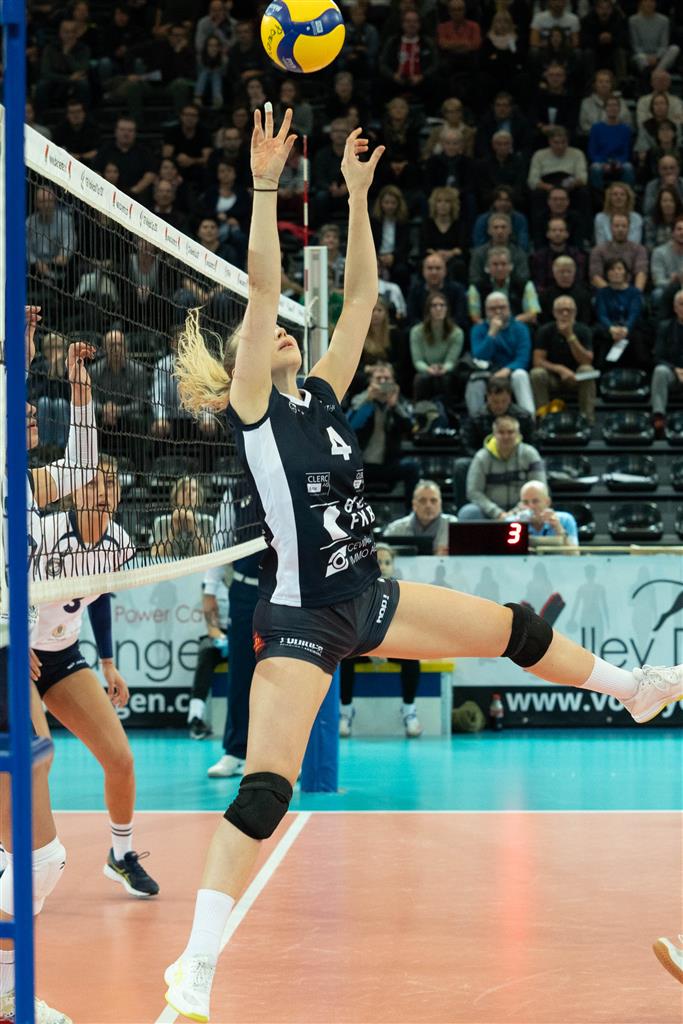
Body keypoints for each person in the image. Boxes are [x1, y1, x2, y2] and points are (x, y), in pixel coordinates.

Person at [164, 106, 683, 1022]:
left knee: (515, 632)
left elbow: (361, 299)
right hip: (298, 620)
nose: (282, 331)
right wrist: (265, 185)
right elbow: (262, 286)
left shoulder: (319, 396)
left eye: (284, 329)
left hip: (368, 595)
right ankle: (195, 968)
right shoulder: (256, 409)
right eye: (269, 330)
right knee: (265, 793)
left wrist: (359, 196)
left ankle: (631, 690)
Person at [0, 309, 97, 1024]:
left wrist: (77, 387)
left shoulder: (29, 491)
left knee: (31, 847)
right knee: (38, 857)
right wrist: (21, 353)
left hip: (11, 651)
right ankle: (9, 991)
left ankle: (8, 989)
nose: (32, 413)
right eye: (23, 407)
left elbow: (84, 469)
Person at [31, 458, 159, 898]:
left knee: (120, 759)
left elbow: (99, 597)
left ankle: (121, 856)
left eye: (109, 484)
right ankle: (13, 854)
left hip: (63, 654)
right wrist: (15, 638)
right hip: (17, 653)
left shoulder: (119, 542)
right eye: (90, 485)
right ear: (72, 492)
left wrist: (107, 661)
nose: (101, 493)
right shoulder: (42, 532)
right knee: (35, 760)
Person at [340, 544, 423, 739]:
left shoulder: (400, 592)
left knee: (412, 659)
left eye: (387, 562)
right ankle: (346, 711)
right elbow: (355, 626)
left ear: (393, 566)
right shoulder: (359, 590)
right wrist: (372, 651)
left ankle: (409, 711)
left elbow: (402, 628)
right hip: (364, 647)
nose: (383, 566)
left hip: (389, 646)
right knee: (344, 658)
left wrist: (385, 649)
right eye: (379, 562)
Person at [458, 414, 546, 521]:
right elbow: (474, 492)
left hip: (524, 509)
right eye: (501, 432)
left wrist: (515, 512)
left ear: (518, 434)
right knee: (468, 513)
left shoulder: (530, 454)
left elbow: (539, 488)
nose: (506, 436)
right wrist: (497, 513)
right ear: (494, 434)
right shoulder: (481, 457)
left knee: (538, 506)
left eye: (510, 432)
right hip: (490, 511)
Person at [467, 291, 535, 416]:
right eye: (493, 309)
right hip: (486, 372)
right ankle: (476, 420)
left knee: (521, 375)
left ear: (509, 309)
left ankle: (529, 418)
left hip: (511, 371)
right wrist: (492, 333)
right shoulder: (478, 329)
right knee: (474, 382)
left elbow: (523, 358)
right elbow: (479, 357)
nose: (498, 311)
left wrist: (507, 370)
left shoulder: (520, 328)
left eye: (502, 307)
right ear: (486, 311)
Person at [531, 296, 596, 422]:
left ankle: (587, 419)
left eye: (569, 310)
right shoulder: (544, 331)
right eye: (560, 310)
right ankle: (544, 419)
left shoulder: (584, 330)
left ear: (575, 313)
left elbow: (587, 361)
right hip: (553, 378)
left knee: (587, 370)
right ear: (554, 313)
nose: (565, 314)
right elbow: (537, 361)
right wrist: (560, 369)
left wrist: (570, 336)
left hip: (576, 377)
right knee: (536, 373)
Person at [594, 257, 649, 370]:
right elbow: (602, 314)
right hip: (610, 328)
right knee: (600, 334)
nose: (616, 272)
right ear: (607, 273)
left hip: (630, 328)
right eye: (612, 269)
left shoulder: (634, 292)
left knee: (638, 336)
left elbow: (634, 313)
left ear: (625, 272)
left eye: (619, 269)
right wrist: (611, 328)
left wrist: (626, 329)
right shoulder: (602, 293)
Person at [409, 293, 463, 401]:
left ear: (447, 309)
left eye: (442, 305)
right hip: (426, 369)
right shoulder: (416, 332)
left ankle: (448, 408)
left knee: (446, 378)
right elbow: (418, 360)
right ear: (428, 310)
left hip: (445, 370)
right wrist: (428, 369)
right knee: (422, 378)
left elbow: (451, 361)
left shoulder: (457, 333)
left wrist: (444, 368)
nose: (438, 309)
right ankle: (420, 407)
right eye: (434, 305)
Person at [383, 480, 457, 556]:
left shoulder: (454, 526)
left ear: (440, 503)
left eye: (433, 500)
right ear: (414, 504)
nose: (428, 505)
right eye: (422, 501)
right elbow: (381, 551)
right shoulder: (396, 529)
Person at [151, 476, 213, 558]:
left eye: (194, 490)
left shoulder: (208, 521)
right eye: (184, 489)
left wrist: (195, 529)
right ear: (175, 497)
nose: (189, 492)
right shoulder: (162, 522)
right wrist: (173, 531)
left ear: (199, 498)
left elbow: (210, 556)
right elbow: (155, 556)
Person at [508, 479, 579, 548]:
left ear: (547, 502)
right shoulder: (511, 523)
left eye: (535, 501)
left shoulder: (565, 520)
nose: (530, 506)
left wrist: (559, 529)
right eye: (525, 502)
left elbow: (574, 553)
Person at [651, 289, 683, 435]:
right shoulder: (665, 327)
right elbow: (657, 356)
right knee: (660, 371)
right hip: (673, 374)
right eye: (681, 304)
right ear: (675, 308)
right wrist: (676, 369)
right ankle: (659, 416)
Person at [589, 213, 648, 292]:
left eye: (624, 226)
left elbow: (641, 273)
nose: (620, 229)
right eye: (616, 226)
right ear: (610, 228)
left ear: (629, 228)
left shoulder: (639, 250)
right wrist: (612, 294)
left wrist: (635, 294)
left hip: (631, 291)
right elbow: (595, 276)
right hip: (605, 292)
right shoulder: (598, 250)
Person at [587, 95, 635, 189]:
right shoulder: (596, 128)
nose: (612, 108)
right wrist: (603, 163)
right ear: (605, 108)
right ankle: (598, 195)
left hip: (619, 162)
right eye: (609, 105)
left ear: (619, 108)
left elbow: (626, 152)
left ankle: (627, 193)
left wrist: (619, 162)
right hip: (601, 162)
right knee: (595, 168)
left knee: (628, 168)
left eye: (615, 105)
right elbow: (592, 151)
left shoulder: (625, 129)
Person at [539, 254, 593, 325]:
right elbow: (544, 321)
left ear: (574, 273)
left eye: (569, 271)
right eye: (561, 272)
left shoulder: (584, 295)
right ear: (554, 273)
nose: (565, 275)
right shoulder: (545, 296)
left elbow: (586, 320)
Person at [644, 184, 683, 250]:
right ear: (659, 203)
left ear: (676, 203)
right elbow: (649, 246)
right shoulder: (650, 222)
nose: (668, 204)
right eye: (664, 201)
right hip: (657, 255)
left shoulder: (681, 222)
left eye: (671, 201)